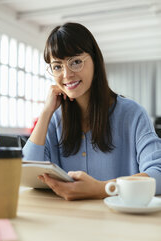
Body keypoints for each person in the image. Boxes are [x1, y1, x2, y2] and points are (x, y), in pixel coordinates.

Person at [23, 22, 161, 200]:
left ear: (95, 61)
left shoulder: (132, 114)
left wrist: (102, 189)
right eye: (57, 66)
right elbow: (27, 173)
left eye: (76, 62)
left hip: (122, 222)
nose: (67, 74)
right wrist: (45, 113)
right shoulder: (54, 119)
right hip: (69, 220)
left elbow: (158, 173)